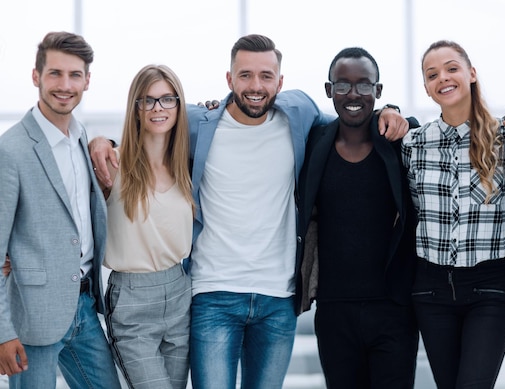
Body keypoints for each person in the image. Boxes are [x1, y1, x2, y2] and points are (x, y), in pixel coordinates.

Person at [90, 33, 409, 389]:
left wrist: (390, 111)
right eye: (245, 75)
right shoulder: (199, 123)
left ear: (280, 82)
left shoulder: (299, 115)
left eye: (265, 76)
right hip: (213, 295)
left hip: (278, 299)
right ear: (229, 79)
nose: (255, 86)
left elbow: (351, 114)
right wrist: (105, 141)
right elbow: (152, 124)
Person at [402, 40, 505, 388]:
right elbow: (412, 210)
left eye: (452, 68)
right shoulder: (414, 144)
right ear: (426, 88)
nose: (443, 77)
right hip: (430, 290)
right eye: (432, 74)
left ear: (471, 74)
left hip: (490, 287)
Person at [0, 31, 121, 388]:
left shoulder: (82, 136)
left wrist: (107, 141)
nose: (64, 85)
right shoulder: (11, 150)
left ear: (87, 80)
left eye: (74, 75)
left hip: (84, 305)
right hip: (32, 317)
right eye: (55, 73)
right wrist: (3, 332)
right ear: (36, 76)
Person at [297, 47, 419, 388]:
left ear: (378, 91)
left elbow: (420, 129)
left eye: (364, 85)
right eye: (343, 85)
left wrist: (397, 115)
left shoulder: (397, 142)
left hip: (393, 309)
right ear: (328, 90)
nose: (353, 94)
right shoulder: (313, 142)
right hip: (335, 310)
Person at [102, 64, 194, 389]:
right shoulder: (111, 164)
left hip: (180, 292)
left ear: (179, 106)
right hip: (131, 300)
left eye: (167, 99)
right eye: (148, 100)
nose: (158, 108)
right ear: (136, 108)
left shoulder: (186, 165)